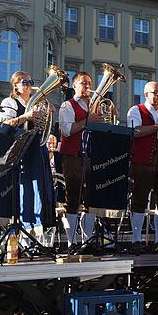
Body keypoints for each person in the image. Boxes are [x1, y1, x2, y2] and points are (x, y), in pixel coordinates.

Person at [0, 71, 54, 235]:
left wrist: (47, 117)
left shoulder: (36, 103)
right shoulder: (10, 101)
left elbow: (43, 129)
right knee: (25, 189)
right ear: (15, 85)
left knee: (39, 189)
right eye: (24, 82)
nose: (29, 85)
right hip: (20, 150)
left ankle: (39, 231)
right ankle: (25, 233)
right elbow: (4, 124)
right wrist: (26, 116)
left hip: (37, 149)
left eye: (30, 81)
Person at [126, 81, 158, 249]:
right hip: (143, 160)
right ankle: (136, 239)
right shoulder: (136, 110)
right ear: (146, 94)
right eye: (155, 92)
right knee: (139, 199)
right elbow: (134, 131)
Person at [58, 71, 101, 247]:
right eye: (84, 83)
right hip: (73, 156)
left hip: (91, 156)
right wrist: (88, 120)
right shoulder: (66, 106)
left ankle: (87, 239)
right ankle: (71, 241)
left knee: (91, 200)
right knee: (73, 199)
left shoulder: (93, 106)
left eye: (90, 83)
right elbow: (67, 130)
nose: (88, 86)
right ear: (74, 85)